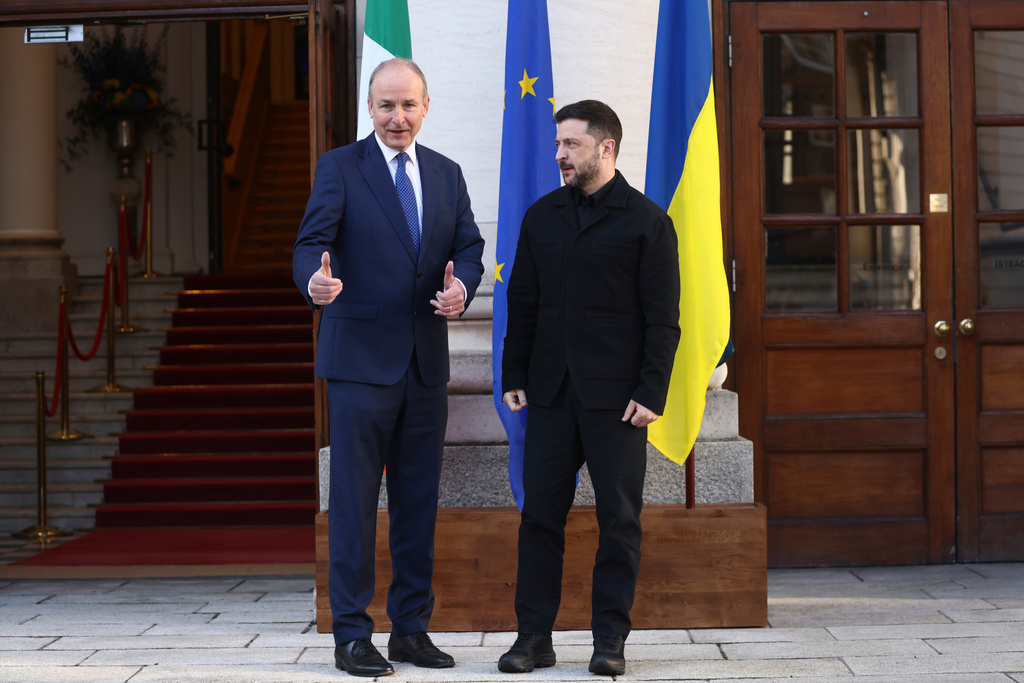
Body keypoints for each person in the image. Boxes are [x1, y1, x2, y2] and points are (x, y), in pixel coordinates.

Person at [292, 57, 485, 677]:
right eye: (385, 105)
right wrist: (314, 285)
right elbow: (308, 246)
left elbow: (469, 249)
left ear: (426, 107)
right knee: (352, 502)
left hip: (425, 365)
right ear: (369, 109)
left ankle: (410, 629)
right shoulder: (340, 167)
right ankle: (351, 634)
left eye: (408, 105)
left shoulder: (448, 174)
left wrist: (462, 290)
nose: (397, 117)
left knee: (416, 502)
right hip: (357, 366)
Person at [499, 100, 681, 677]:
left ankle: (610, 640)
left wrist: (652, 391)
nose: (559, 155)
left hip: (619, 402)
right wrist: (514, 373)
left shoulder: (649, 222)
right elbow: (521, 302)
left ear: (606, 148)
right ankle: (533, 638)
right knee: (539, 519)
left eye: (570, 145)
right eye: (558, 145)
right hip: (550, 394)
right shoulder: (541, 216)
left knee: (619, 519)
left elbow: (664, 320)